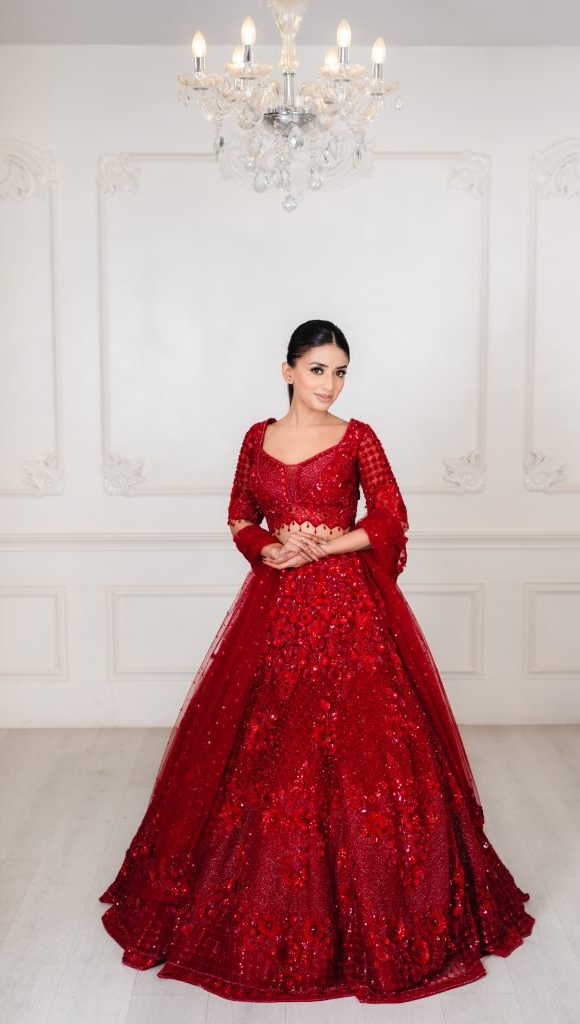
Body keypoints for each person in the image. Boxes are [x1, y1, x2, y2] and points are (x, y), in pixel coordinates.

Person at [99, 319, 535, 1003]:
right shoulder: (257, 438)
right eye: (317, 370)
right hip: (275, 606)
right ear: (288, 371)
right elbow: (239, 514)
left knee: (367, 745)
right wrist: (269, 549)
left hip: (349, 606)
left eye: (339, 372)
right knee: (263, 743)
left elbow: (390, 517)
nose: (329, 384)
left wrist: (324, 544)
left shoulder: (358, 437)